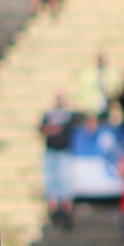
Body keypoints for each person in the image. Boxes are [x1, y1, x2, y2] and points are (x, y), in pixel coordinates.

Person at [41, 93, 75, 230]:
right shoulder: (49, 115)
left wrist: (53, 130)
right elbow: (42, 129)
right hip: (51, 152)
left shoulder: (68, 115)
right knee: (52, 183)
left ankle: (66, 213)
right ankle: (54, 213)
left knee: (65, 183)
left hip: (64, 152)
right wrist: (54, 129)